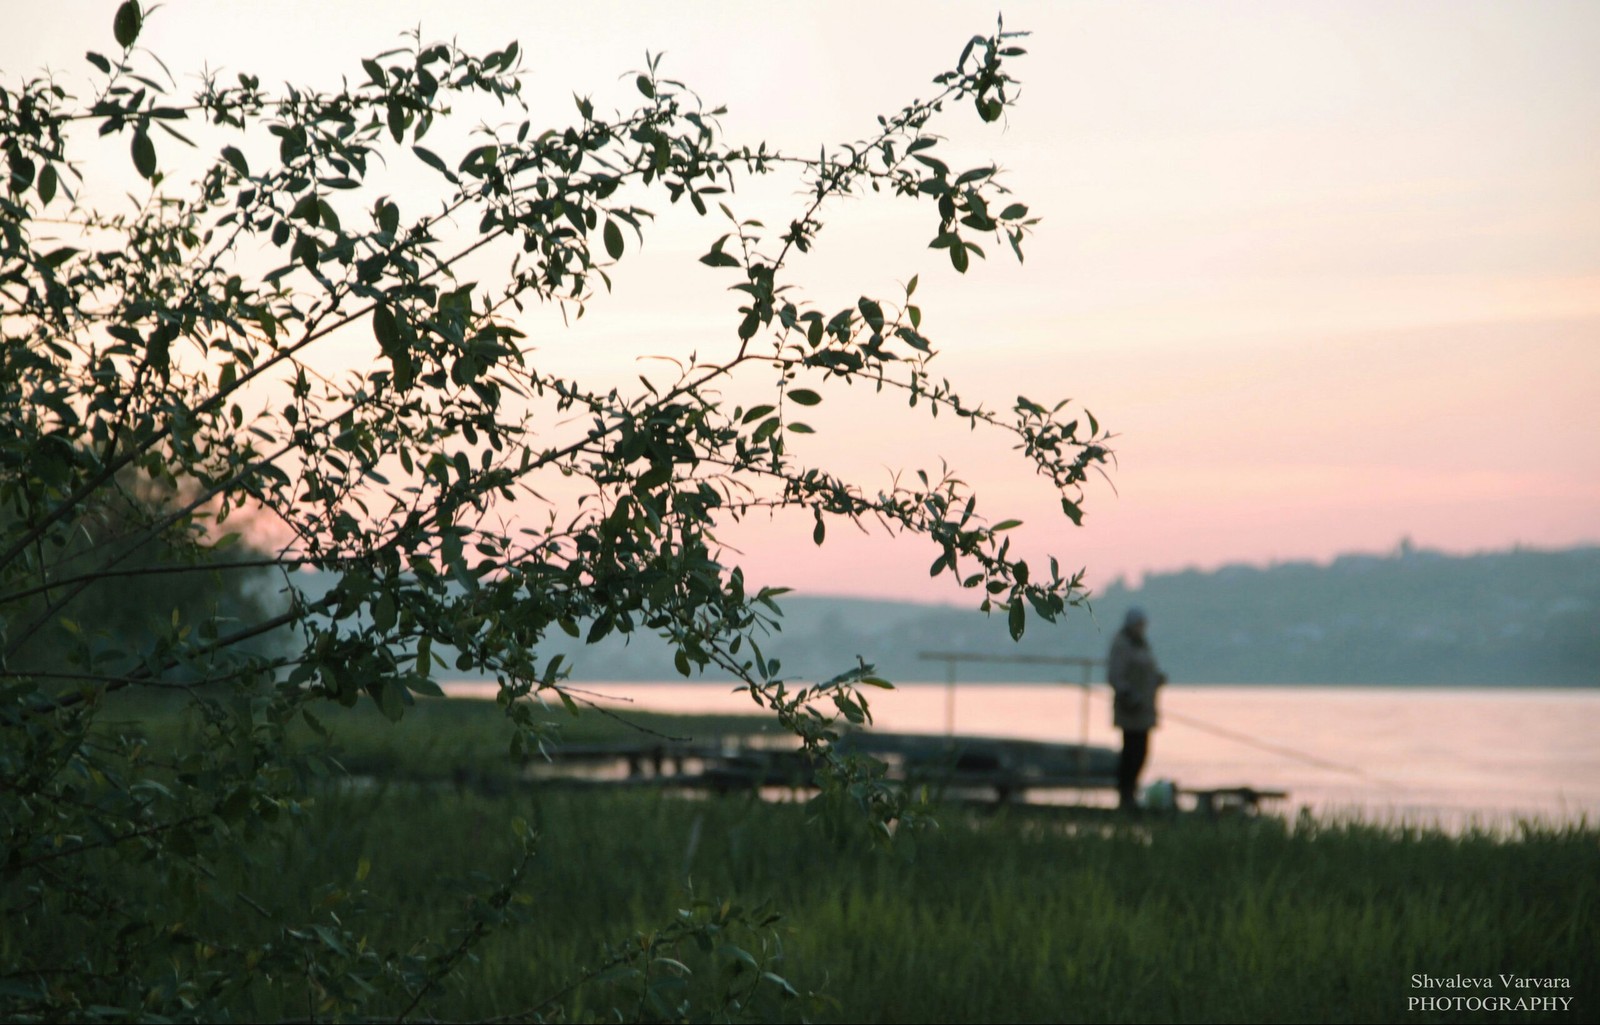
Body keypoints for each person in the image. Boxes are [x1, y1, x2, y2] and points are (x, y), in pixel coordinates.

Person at [1107, 606, 1167, 812]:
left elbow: (1146, 671)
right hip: (1130, 712)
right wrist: (1129, 695)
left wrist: (1157, 679)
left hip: (1145, 713)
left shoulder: (1142, 644)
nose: (1142, 628)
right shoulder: (1122, 645)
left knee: (1141, 753)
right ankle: (1125, 796)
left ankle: (1131, 792)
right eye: (1139, 624)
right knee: (1130, 754)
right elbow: (1115, 675)